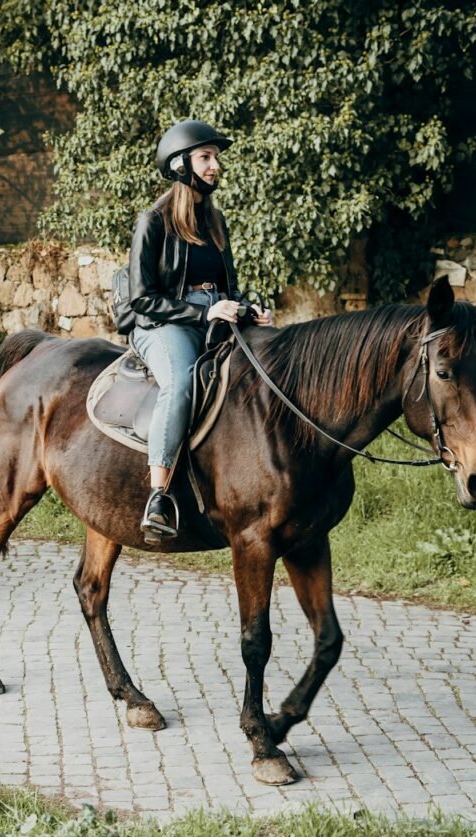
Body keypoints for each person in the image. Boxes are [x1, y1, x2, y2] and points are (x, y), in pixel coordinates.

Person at [125, 120, 274, 541]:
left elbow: (228, 288)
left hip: (213, 316)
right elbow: (142, 298)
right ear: (180, 164)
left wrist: (248, 309)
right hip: (162, 322)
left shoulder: (215, 221)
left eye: (215, 158)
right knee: (182, 381)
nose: (215, 166)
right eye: (206, 157)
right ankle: (159, 496)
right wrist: (203, 313)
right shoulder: (152, 221)